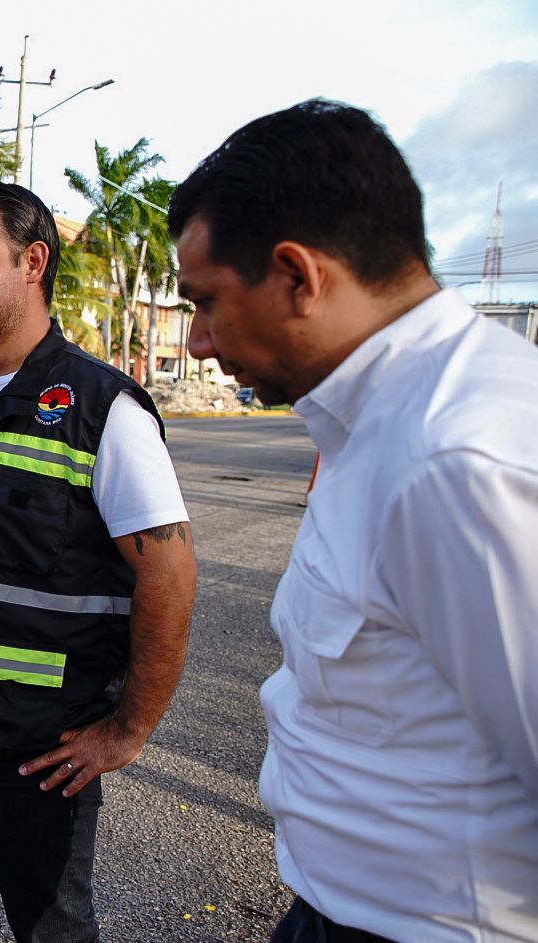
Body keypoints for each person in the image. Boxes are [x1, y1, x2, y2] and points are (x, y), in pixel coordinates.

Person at [171, 99, 538, 943]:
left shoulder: (455, 460)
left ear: (298, 276)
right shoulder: (381, 420)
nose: (196, 342)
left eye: (207, 301)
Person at [0, 178, 197, 941]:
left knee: (50, 928)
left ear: (32, 261)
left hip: (37, 748)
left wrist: (127, 729)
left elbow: (170, 571)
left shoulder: (102, 408)